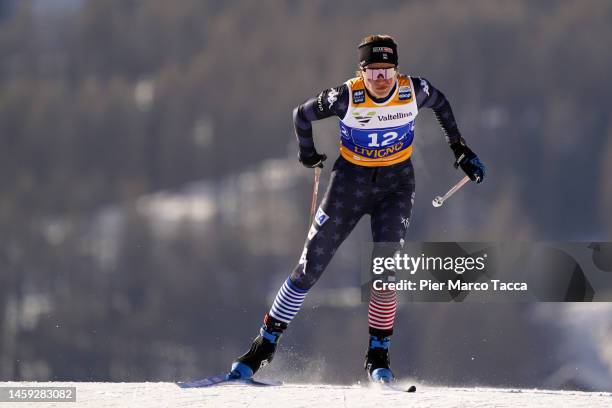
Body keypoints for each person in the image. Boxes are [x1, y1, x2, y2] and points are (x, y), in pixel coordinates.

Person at [229, 34, 485, 383]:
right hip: (350, 184)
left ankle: (378, 356)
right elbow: (301, 116)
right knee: (310, 266)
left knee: (384, 272)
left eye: (387, 70)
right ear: (361, 72)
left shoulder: (414, 90)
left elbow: (442, 104)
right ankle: (264, 344)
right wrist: (308, 154)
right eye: (372, 71)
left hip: (396, 186)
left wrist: (460, 149)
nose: (380, 78)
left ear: (396, 70)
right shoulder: (346, 96)